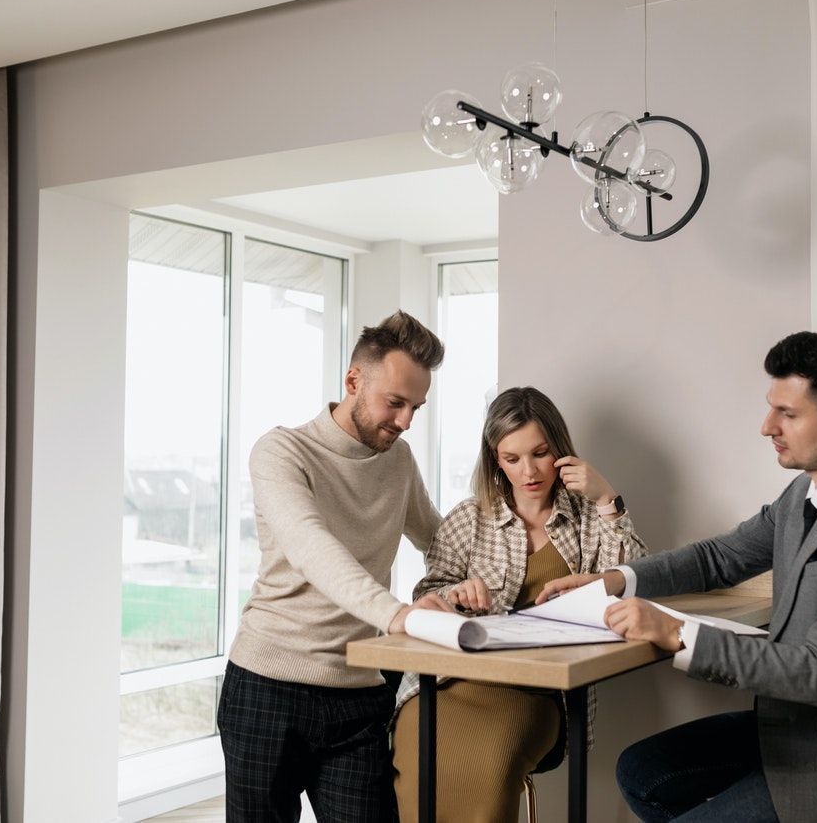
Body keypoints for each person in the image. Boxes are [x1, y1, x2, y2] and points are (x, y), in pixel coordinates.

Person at [538, 332, 817, 823]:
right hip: (801, 727)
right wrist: (614, 580)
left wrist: (674, 633)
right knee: (643, 771)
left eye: (788, 414)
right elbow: (720, 557)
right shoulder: (803, 493)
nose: (766, 427)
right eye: (770, 408)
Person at [216, 311, 455, 823]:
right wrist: (400, 616)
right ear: (353, 381)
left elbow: (438, 539)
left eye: (416, 406)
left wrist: (479, 578)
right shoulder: (282, 452)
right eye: (395, 402)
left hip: (359, 695)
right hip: (267, 687)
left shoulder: (399, 460)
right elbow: (312, 547)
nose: (406, 420)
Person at [392, 386, 647, 823]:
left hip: (538, 692)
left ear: (561, 452)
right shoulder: (469, 518)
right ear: (495, 459)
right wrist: (455, 597)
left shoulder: (589, 518)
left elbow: (632, 584)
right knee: (419, 758)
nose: (528, 470)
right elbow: (425, 598)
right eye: (512, 459)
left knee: (491, 765)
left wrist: (607, 499)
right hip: (450, 683)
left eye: (540, 453)